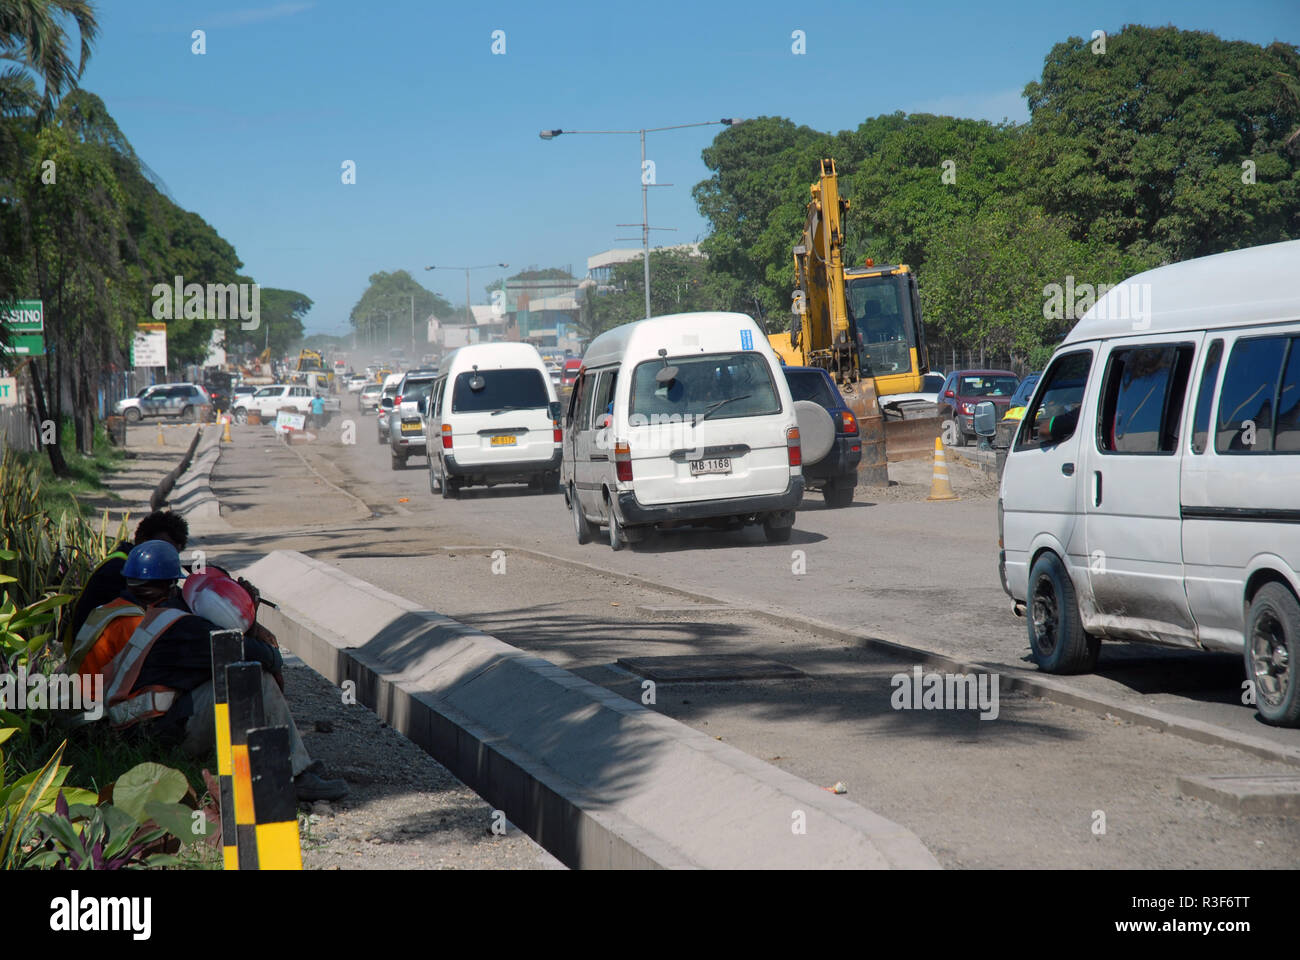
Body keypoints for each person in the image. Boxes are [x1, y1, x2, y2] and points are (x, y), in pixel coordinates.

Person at [69, 540, 347, 802]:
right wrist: (248, 621)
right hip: (148, 735)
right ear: (171, 585)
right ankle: (292, 775)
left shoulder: (137, 615)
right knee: (255, 678)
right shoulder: (179, 626)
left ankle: (293, 760)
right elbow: (264, 657)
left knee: (227, 676)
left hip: (123, 725)